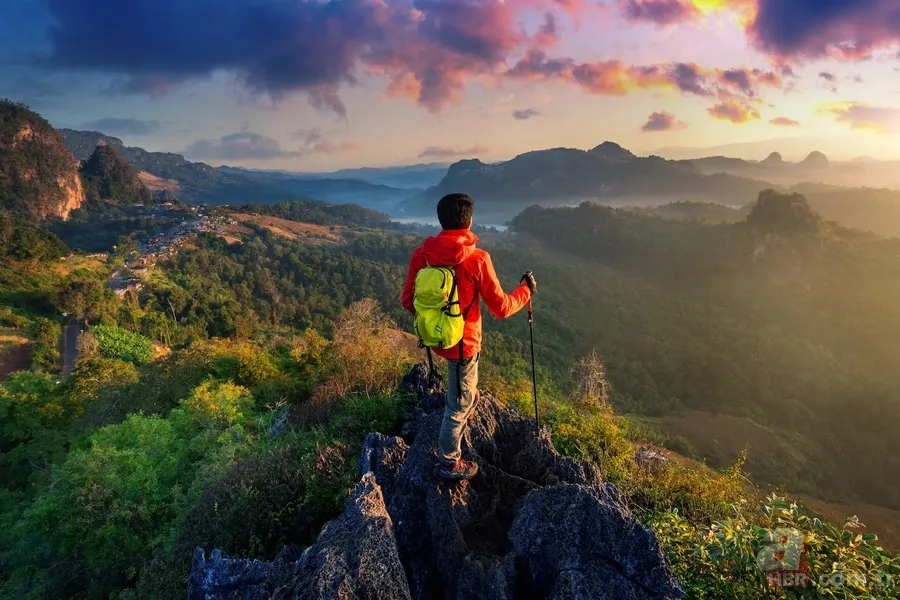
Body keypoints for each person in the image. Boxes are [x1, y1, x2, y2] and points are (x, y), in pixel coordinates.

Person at [401, 193, 537, 481]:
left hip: (438, 340)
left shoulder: (422, 255)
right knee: (457, 406)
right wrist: (525, 292)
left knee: (461, 391)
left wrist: (435, 323)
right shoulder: (478, 259)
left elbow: (407, 300)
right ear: (469, 221)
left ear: (441, 220)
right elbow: (500, 308)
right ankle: (449, 463)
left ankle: (466, 400)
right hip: (465, 345)